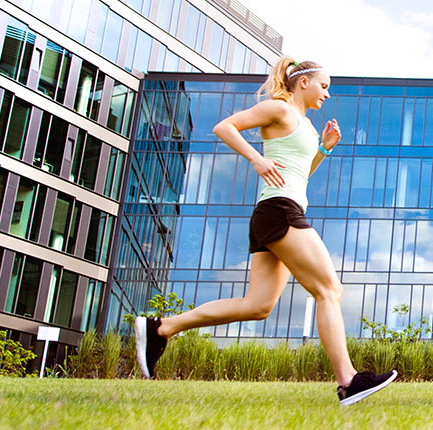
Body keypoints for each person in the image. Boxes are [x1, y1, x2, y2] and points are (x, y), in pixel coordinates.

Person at [134, 57, 397, 406]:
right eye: (324, 86)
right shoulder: (279, 109)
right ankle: (348, 380)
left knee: (257, 306)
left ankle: (162, 328)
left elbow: (298, 175)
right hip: (279, 211)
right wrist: (255, 159)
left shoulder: (304, 124)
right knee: (329, 290)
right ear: (303, 83)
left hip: (278, 211)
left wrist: (323, 148)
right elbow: (225, 127)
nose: (328, 94)